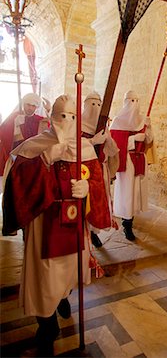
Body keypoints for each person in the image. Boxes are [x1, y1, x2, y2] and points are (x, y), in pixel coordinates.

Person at [2, 94, 110, 356]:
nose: (67, 122)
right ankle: (47, 325)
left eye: (73, 117)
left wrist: (88, 189)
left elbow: (98, 184)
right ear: (51, 118)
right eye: (62, 116)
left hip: (73, 224)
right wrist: (43, 161)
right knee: (44, 277)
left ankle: (63, 296)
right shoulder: (35, 146)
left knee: (67, 271)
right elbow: (15, 184)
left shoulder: (85, 149)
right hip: (43, 224)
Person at [110, 90, 153, 241]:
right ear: (125, 102)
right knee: (127, 192)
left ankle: (131, 218)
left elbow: (149, 141)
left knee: (136, 192)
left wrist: (148, 128)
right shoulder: (117, 121)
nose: (134, 104)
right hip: (127, 160)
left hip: (139, 159)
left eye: (136, 100)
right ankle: (126, 223)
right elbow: (115, 144)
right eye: (131, 101)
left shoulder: (142, 120)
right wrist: (134, 138)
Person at [82, 91, 119, 248]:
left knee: (98, 202)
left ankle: (94, 232)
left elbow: (111, 151)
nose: (95, 108)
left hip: (100, 169)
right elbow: (73, 146)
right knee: (86, 202)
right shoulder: (78, 125)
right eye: (92, 104)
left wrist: (109, 141)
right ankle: (84, 231)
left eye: (98, 104)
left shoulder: (103, 127)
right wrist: (91, 141)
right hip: (84, 171)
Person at [0, 93, 50, 178]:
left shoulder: (40, 120)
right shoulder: (15, 116)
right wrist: (15, 125)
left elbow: (48, 135)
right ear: (23, 104)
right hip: (18, 156)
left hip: (34, 158)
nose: (30, 108)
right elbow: (3, 132)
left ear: (36, 107)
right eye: (28, 105)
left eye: (33, 106)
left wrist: (48, 112)